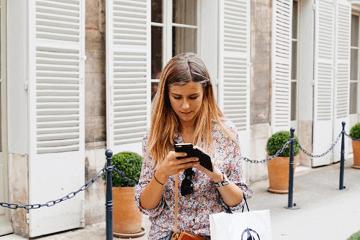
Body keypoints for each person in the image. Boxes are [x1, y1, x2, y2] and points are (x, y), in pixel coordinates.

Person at [135, 52, 253, 240]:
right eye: (177, 97)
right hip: (168, 235)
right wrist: (162, 173)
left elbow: (237, 201)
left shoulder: (225, 133)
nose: (185, 106)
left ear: (205, 92)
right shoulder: (154, 138)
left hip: (215, 234)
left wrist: (215, 173)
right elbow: (146, 206)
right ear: (166, 95)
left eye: (193, 97)